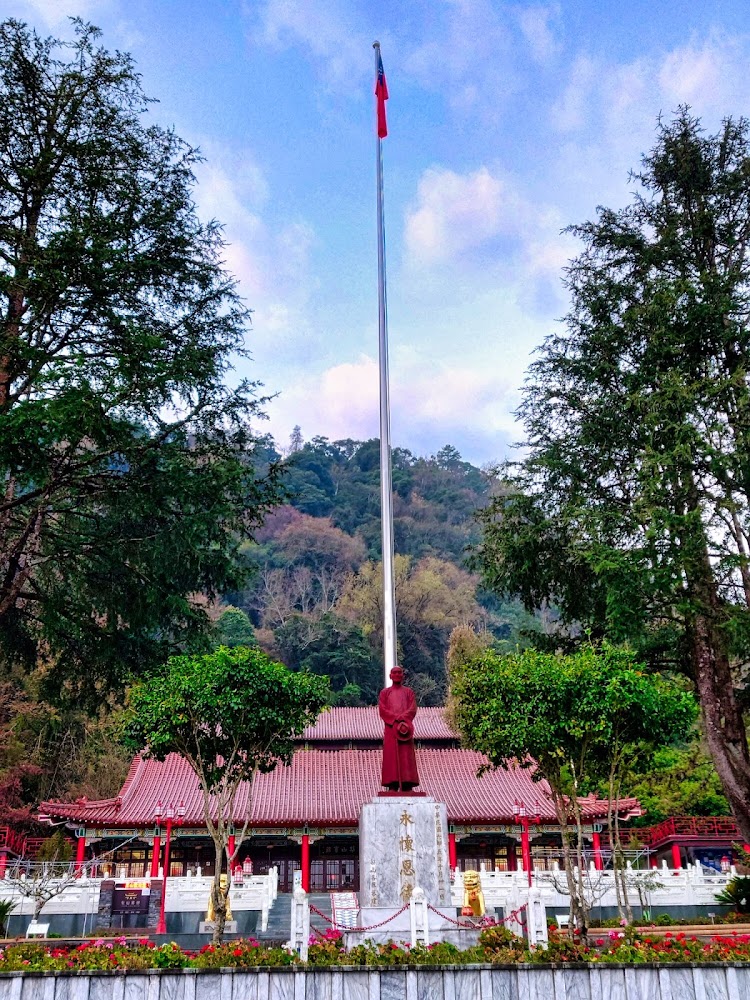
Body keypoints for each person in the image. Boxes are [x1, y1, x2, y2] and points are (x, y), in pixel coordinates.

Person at [379, 665, 420, 791]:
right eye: (394, 673)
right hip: (391, 730)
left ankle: (408, 783)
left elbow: (412, 709)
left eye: (399, 673)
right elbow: (382, 709)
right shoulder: (385, 693)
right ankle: (392, 784)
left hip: (404, 729)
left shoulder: (409, 692)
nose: (397, 675)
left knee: (406, 757)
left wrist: (402, 718)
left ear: (403, 676)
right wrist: (395, 718)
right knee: (391, 757)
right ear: (390, 676)